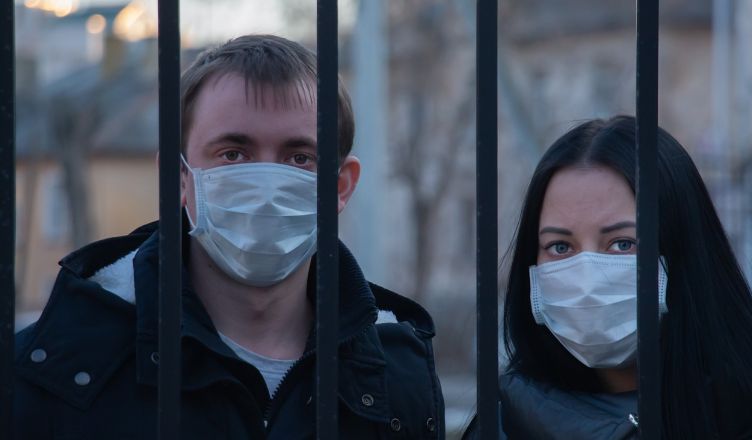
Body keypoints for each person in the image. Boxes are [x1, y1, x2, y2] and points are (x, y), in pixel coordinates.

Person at [14, 35, 444, 439]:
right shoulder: (59, 370)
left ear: (340, 186)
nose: (266, 187)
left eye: (299, 158)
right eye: (233, 154)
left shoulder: (397, 376)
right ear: (179, 178)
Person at [465, 115, 752, 439]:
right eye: (560, 247)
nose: (587, 280)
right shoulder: (506, 424)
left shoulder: (750, 413)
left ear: (684, 247)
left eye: (622, 243)